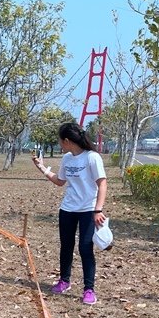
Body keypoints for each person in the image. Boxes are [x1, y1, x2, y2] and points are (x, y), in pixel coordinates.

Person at [33, 122, 107, 305]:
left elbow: (102, 183)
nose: (59, 144)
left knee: (85, 248)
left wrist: (98, 210)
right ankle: (64, 281)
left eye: (60, 141)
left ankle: (89, 289)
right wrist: (42, 168)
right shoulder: (67, 158)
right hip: (67, 209)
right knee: (66, 247)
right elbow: (60, 181)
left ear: (66, 140)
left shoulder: (92, 157)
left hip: (88, 210)